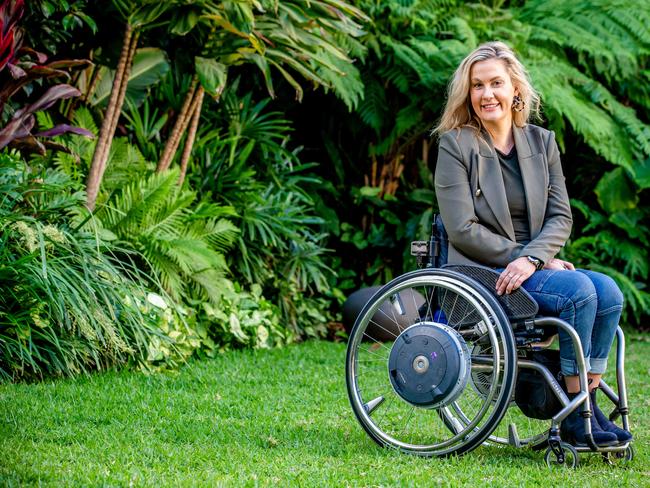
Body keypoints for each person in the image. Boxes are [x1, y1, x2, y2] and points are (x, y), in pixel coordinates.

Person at [433, 41, 631, 447]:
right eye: (477, 86)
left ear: (515, 89)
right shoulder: (457, 144)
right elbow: (461, 228)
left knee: (609, 292)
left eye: (496, 83)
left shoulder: (542, 142)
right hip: (483, 271)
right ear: (468, 95)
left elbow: (562, 217)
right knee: (578, 293)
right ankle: (579, 416)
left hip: (532, 267)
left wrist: (536, 259)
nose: (487, 94)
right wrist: (524, 259)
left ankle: (585, 404)